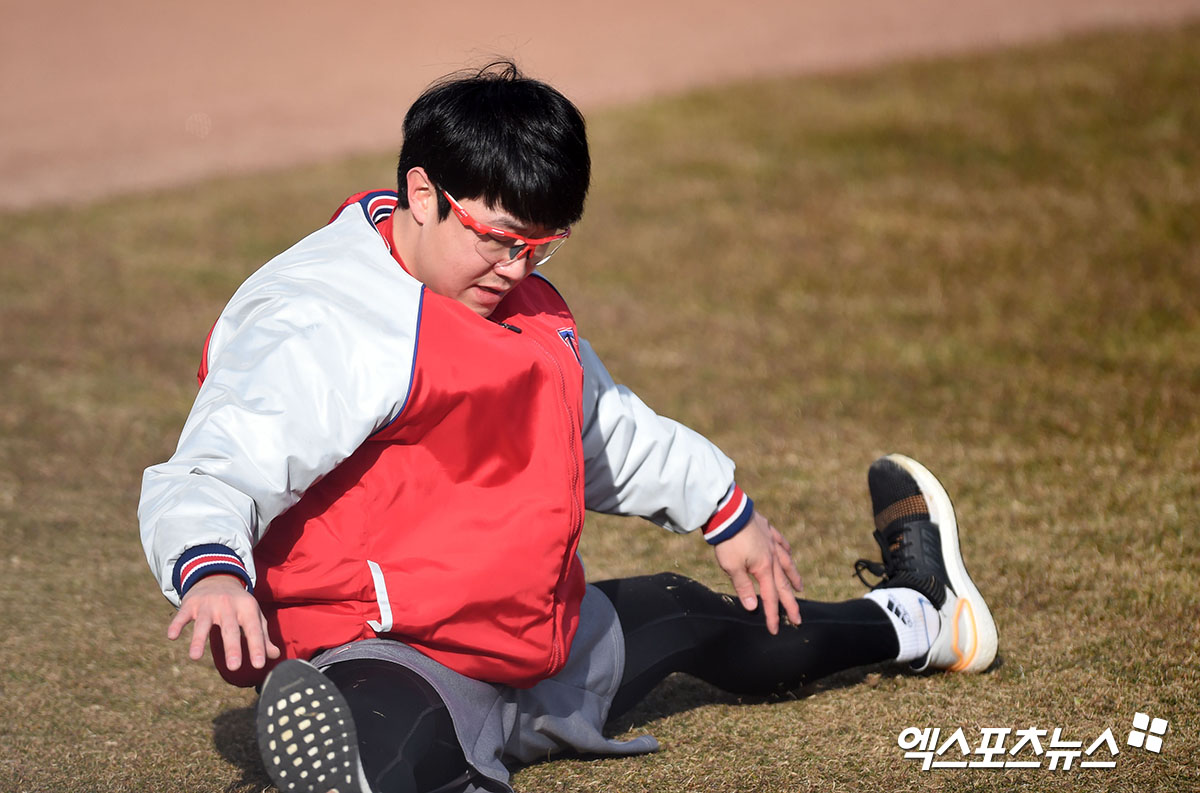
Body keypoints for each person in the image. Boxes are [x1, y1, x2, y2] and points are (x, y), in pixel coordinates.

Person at [139, 62, 997, 793]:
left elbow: (602, 434)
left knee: (689, 609)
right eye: (499, 240)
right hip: (390, 650)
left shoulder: (516, 302)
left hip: (529, 631)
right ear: (422, 193)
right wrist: (211, 570)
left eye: (541, 248)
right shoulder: (327, 318)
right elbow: (216, 467)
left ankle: (925, 616)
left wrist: (722, 509)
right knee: (386, 725)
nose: (516, 269)